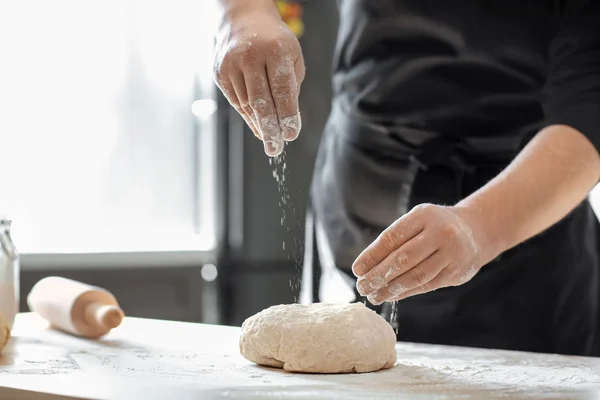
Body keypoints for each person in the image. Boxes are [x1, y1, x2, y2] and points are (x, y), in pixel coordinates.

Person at [214, 0, 600, 356]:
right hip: (358, 176)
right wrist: (245, 13)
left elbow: (589, 111)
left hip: (525, 212)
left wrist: (480, 228)